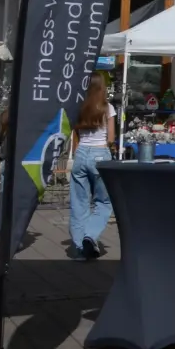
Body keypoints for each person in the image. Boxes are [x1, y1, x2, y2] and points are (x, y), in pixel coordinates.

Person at [68, 74, 116, 260]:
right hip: (100, 154)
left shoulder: (79, 107)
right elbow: (110, 138)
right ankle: (90, 235)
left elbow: (75, 135)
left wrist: (76, 155)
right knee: (104, 202)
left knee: (79, 203)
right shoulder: (107, 108)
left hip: (81, 154)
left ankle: (80, 249)